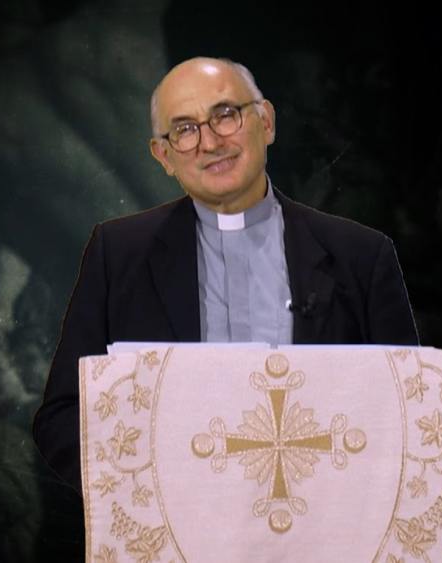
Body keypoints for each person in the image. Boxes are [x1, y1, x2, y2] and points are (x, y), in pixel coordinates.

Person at [32, 56, 419, 493]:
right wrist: (145, 497)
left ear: (266, 122)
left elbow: (407, 411)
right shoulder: (117, 254)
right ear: (163, 156)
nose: (210, 142)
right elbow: (62, 418)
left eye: (226, 115)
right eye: (184, 129)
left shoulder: (362, 256)